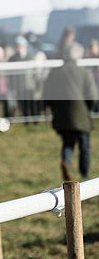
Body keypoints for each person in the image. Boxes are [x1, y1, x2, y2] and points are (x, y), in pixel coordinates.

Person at [43, 43, 98, 180]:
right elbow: (91, 96)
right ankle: (84, 173)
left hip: (62, 116)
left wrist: (54, 109)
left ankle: (66, 163)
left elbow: (47, 96)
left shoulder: (54, 73)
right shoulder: (83, 72)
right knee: (84, 145)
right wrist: (88, 109)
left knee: (67, 144)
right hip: (81, 116)